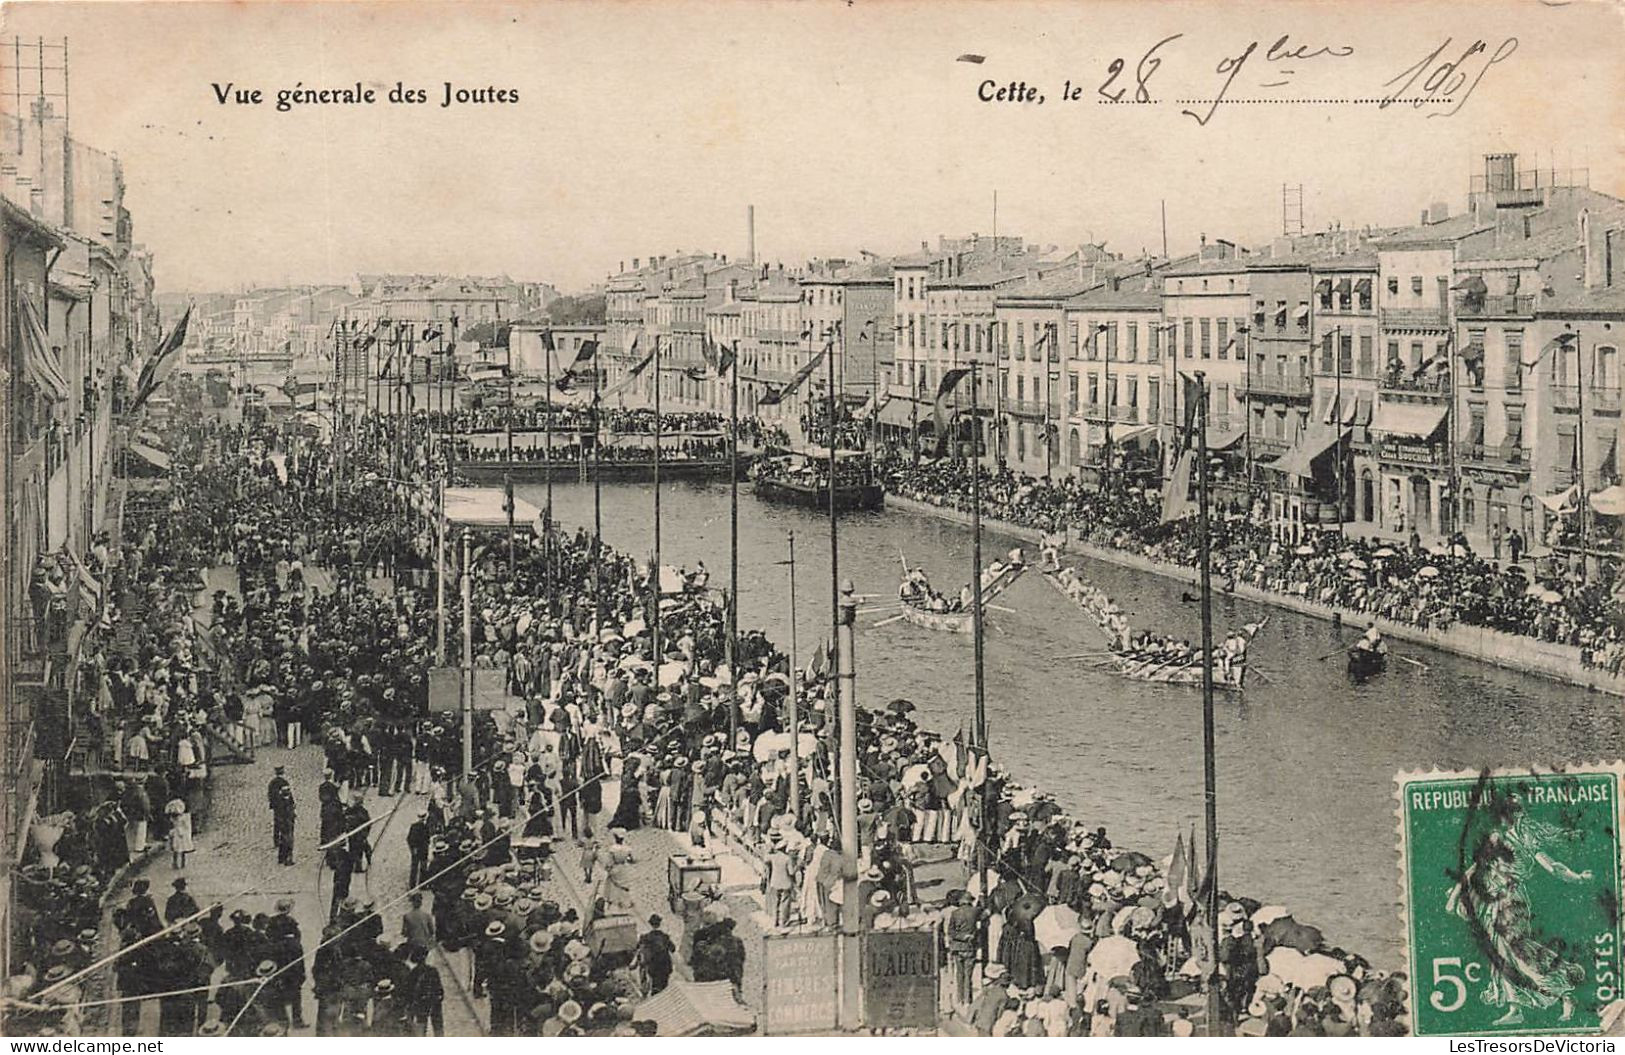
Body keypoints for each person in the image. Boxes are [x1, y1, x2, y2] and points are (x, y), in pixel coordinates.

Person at [403, 945, 444, 1037]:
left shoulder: (413, 973)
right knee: (438, 1027)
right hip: (434, 1002)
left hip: (420, 1003)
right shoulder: (433, 971)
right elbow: (440, 988)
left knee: (421, 1027)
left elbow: (409, 991)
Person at [635, 915, 675, 995]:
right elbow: (673, 949)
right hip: (665, 966)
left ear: (650, 924)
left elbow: (637, 947)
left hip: (653, 966)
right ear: (660, 924)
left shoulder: (645, 937)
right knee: (664, 987)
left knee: (655, 987)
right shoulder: (665, 937)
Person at [268, 765, 297, 865]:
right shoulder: (284, 783)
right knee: (288, 839)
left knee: (278, 828)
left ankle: (280, 854)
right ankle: (287, 859)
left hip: (278, 811)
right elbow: (291, 807)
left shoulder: (272, 783)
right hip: (286, 819)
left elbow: (270, 796)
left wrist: (273, 805)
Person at [167, 798, 194, 869]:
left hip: (179, 833)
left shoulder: (179, 818)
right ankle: (178, 863)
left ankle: (178, 863)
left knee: (177, 849)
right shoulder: (181, 817)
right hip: (178, 833)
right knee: (178, 849)